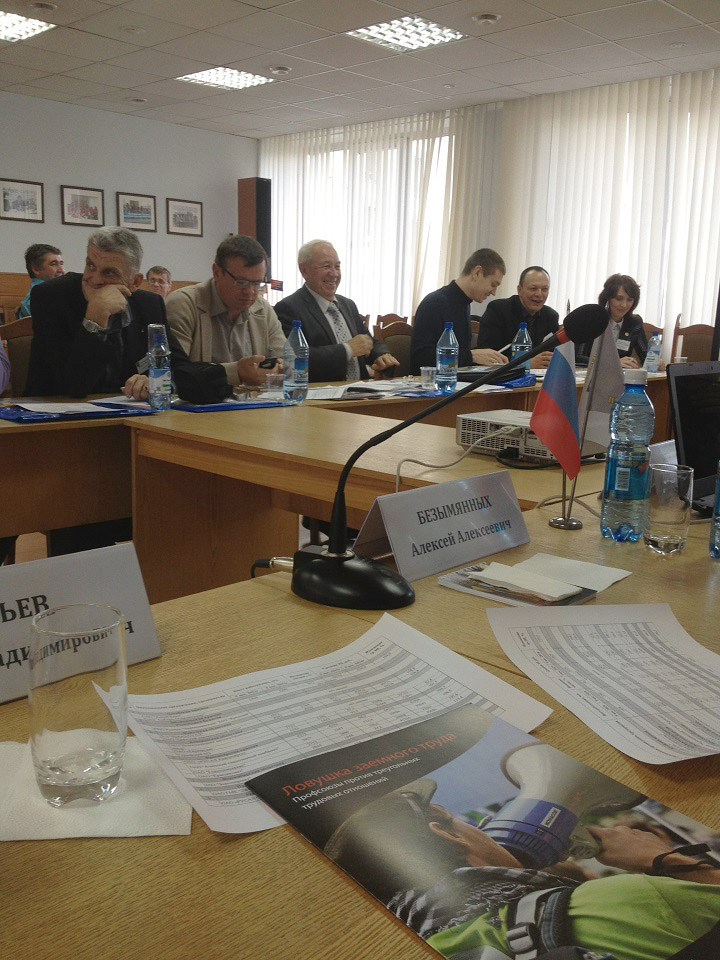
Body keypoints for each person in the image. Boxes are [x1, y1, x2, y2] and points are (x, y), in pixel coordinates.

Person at [325, 778, 720, 960]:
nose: (483, 829)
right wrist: (659, 858)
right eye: (463, 821)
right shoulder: (627, 900)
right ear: (446, 835)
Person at [25, 226, 230, 404]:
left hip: (131, 417)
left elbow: (181, 368)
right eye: (91, 266)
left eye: (109, 272)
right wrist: (95, 319)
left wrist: (157, 382)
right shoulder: (51, 297)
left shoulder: (148, 305)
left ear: (135, 282)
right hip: (56, 420)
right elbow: (72, 386)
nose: (94, 279)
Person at [165, 235, 285, 388]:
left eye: (256, 283)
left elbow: (287, 360)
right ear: (216, 272)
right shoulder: (184, 304)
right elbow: (175, 372)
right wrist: (236, 372)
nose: (250, 292)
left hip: (255, 401)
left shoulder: (262, 309)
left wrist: (279, 367)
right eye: (241, 282)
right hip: (200, 402)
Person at [275, 240, 399, 382]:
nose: (334, 274)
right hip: (322, 393)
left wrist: (382, 355)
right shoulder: (289, 308)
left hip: (362, 390)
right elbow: (294, 358)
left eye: (337, 267)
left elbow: (367, 341)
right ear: (304, 270)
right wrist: (347, 349)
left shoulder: (348, 305)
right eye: (326, 266)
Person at [410, 249, 508, 375]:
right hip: (430, 384)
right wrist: (471, 356)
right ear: (477, 273)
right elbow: (421, 359)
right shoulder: (434, 303)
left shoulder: (464, 304)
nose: (494, 292)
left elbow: (457, 361)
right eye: (493, 284)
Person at [476, 266, 559, 368]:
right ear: (519, 290)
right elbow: (486, 355)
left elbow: (551, 355)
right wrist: (525, 364)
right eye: (533, 289)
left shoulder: (551, 316)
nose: (539, 294)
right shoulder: (498, 309)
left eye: (545, 289)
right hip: (503, 375)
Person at [579, 274, 647, 369]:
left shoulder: (634, 323)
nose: (624, 305)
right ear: (607, 298)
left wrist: (655, 361)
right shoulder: (593, 319)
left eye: (629, 300)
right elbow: (578, 357)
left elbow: (646, 356)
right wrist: (613, 362)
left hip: (620, 376)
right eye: (619, 299)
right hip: (591, 374)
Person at [17, 243, 64, 318]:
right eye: (53, 264)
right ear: (36, 269)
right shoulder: (35, 300)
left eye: (61, 263)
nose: (61, 270)